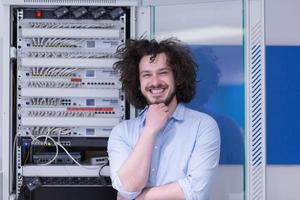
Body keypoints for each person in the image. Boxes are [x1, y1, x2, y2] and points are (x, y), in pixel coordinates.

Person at [107, 38, 220, 200]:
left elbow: (195, 192)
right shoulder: (122, 132)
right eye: (146, 75)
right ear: (138, 83)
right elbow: (127, 188)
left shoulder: (203, 126)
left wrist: (136, 198)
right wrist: (149, 131)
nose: (155, 82)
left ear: (178, 78)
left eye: (163, 73)